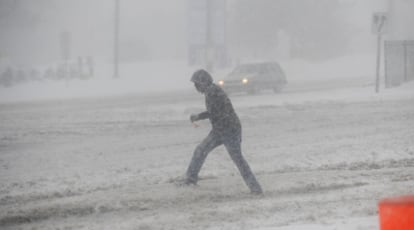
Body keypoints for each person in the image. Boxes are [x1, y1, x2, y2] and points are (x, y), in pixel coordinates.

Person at [182, 69, 263, 195]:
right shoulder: (211, 91)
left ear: (203, 82)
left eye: (196, 84)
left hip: (229, 130)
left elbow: (213, 112)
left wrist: (198, 117)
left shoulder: (213, 92)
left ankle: (255, 188)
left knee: (237, 159)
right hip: (221, 129)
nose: (195, 87)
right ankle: (190, 179)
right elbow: (214, 113)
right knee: (201, 150)